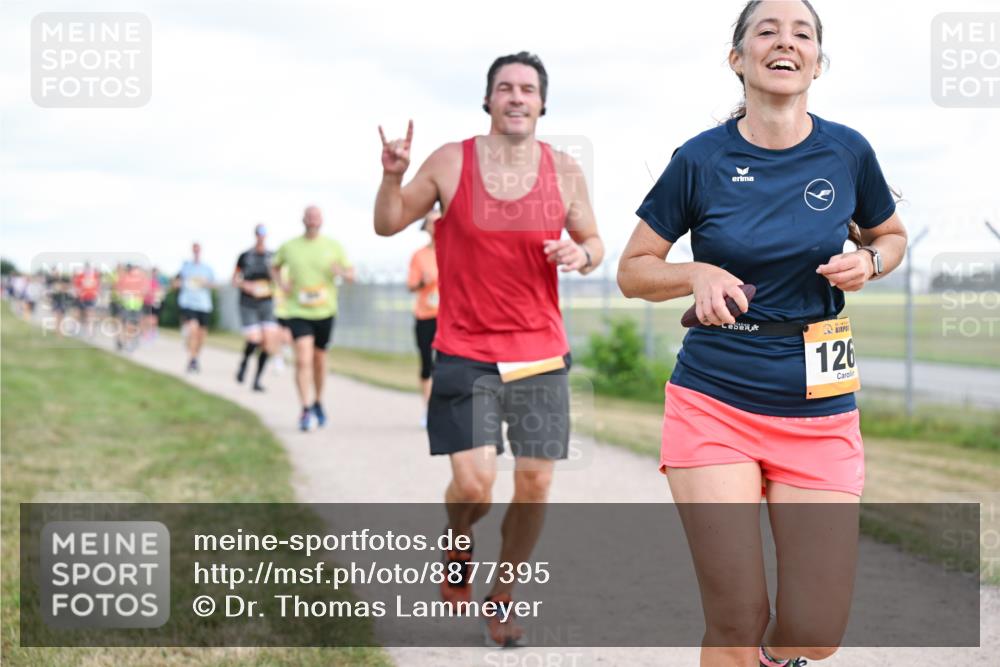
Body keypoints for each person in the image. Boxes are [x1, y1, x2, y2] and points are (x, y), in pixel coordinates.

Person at [617, 2, 908, 665]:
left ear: (816, 62)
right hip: (714, 399)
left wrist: (872, 261)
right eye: (766, 31)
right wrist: (695, 274)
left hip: (819, 405)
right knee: (737, 617)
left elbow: (890, 235)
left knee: (813, 630)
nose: (785, 41)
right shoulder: (699, 159)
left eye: (802, 33)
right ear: (737, 59)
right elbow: (633, 271)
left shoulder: (848, 152)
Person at [374, 51, 603, 647]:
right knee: (474, 486)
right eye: (505, 88)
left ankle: (502, 597)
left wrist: (583, 255)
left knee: (534, 483)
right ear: (488, 99)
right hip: (465, 348)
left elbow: (595, 241)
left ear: (543, 103)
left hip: (539, 351)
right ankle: (457, 537)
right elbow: (388, 222)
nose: (517, 97)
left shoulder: (566, 170)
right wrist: (393, 175)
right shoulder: (452, 161)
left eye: (528, 89)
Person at [271, 206, 354, 431]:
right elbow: (275, 266)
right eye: (309, 216)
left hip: (325, 312)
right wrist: (281, 284)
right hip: (298, 310)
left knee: (319, 360)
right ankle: (305, 408)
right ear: (303, 219)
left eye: (316, 216)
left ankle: (318, 401)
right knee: (303, 359)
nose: (313, 220)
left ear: (322, 220)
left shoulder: (333, 246)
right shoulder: (290, 246)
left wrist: (341, 273)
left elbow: (351, 274)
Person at [233, 224, 279, 392]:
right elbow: (235, 279)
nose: (261, 237)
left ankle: (257, 380)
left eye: (264, 234)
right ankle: (244, 362)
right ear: (255, 235)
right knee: (254, 339)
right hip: (248, 303)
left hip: (266, 302)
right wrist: (246, 285)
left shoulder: (273, 256)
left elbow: (279, 278)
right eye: (259, 234)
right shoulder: (245, 256)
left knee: (268, 344)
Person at [407, 208, 441, 426]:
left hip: (451, 317)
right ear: (426, 228)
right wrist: (423, 281)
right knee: (427, 364)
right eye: (430, 222)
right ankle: (428, 409)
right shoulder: (419, 255)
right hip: (426, 315)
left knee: (448, 364)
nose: (435, 226)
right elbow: (411, 285)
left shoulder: (457, 250)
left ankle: (445, 407)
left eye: (439, 221)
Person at [174, 243, 215, 373]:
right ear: (192, 250)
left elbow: (214, 284)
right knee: (193, 329)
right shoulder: (185, 267)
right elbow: (175, 283)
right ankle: (191, 360)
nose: (196, 251)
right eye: (194, 249)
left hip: (203, 305)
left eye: (198, 249)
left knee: (201, 336)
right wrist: (179, 283)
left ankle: (195, 358)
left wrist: (205, 283)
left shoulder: (207, 268)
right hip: (188, 303)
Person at [115, 264, 146, 351]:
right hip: (132, 305)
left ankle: (123, 340)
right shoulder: (138, 278)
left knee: (127, 324)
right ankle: (125, 341)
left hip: (131, 305)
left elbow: (119, 290)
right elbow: (144, 290)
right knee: (130, 324)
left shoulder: (124, 277)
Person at [72, 262, 101, 333]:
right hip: (83, 297)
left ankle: (88, 329)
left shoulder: (93, 275)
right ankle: (80, 328)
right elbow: (76, 286)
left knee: (88, 313)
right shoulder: (82, 276)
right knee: (81, 313)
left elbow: (97, 285)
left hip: (90, 297)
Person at [141, 267, 168, 341]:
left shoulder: (159, 282)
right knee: (146, 318)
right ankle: (145, 334)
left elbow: (160, 292)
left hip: (155, 303)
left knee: (154, 319)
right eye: (154, 272)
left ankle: (152, 333)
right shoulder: (147, 281)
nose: (155, 274)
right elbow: (145, 291)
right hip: (147, 302)